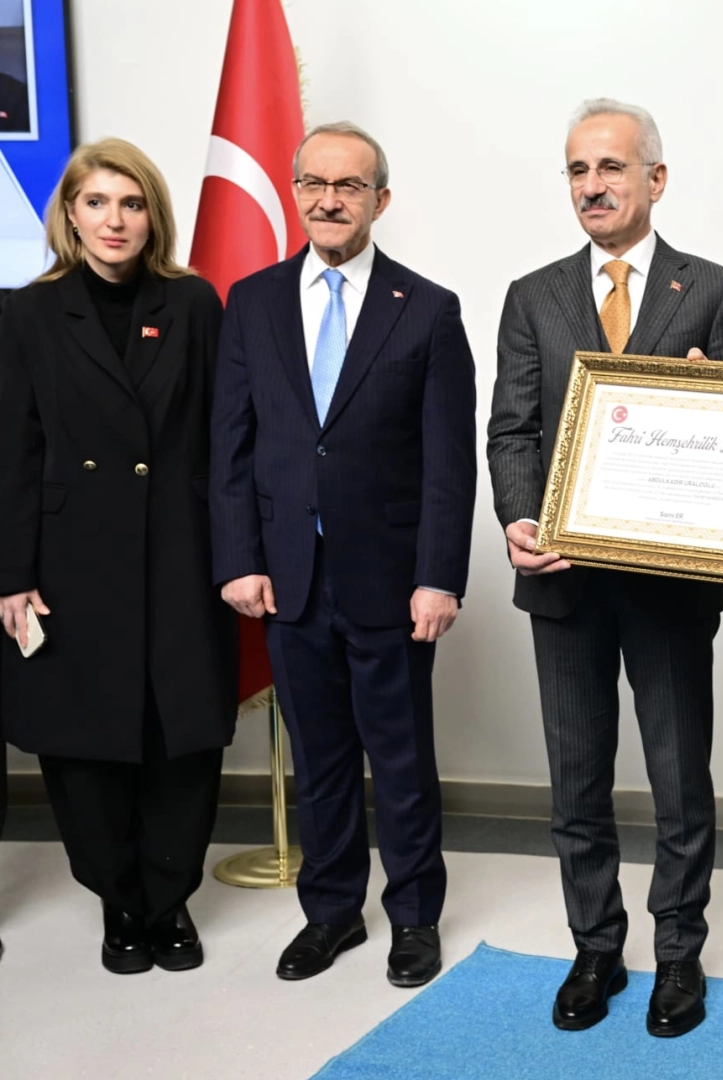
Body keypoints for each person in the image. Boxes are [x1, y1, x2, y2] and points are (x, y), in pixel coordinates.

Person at [487, 98, 723, 1039]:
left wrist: (714, 402)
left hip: (668, 587)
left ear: (655, 178)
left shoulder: (714, 290)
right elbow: (512, 430)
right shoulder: (532, 295)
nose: (592, 186)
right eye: (576, 169)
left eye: (609, 166)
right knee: (576, 780)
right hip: (561, 582)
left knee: (680, 780)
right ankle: (594, 946)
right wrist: (520, 517)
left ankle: (678, 952)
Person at [211, 121, 477, 989]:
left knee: (400, 760)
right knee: (319, 761)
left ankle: (413, 917)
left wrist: (438, 576)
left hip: (391, 581)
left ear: (380, 200)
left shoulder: (427, 309)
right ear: (295, 192)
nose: (329, 200)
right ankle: (330, 913)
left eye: (350, 186)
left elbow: (447, 462)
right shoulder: (251, 301)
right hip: (287, 576)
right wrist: (238, 558)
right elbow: (231, 443)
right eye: (315, 184)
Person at [0, 138, 237, 974]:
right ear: (70, 215)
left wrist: (237, 553)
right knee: (85, 736)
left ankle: (170, 900)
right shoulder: (28, 313)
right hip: (72, 559)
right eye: (96, 202)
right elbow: (14, 451)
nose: (115, 220)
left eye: (131, 203)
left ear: (153, 216)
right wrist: (11, 576)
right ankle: (119, 899)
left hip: (180, 547)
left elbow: (224, 435)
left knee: (182, 733)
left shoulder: (195, 302)